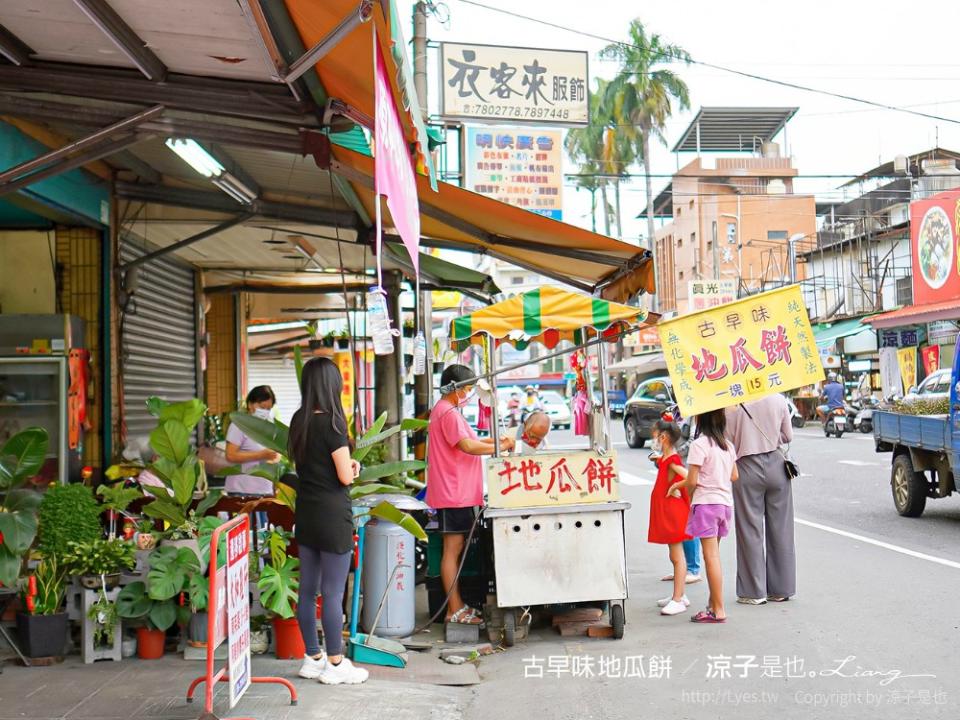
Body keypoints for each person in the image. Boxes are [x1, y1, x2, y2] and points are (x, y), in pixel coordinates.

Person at [289, 357, 367, 685]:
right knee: (333, 592)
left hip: (306, 513)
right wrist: (354, 468)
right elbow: (343, 476)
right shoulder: (334, 424)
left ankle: (313, 657)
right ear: (332, 386)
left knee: (308, 591)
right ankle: (335, 664)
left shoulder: (298, 421)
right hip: (333, 515)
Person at [427, 364, 515, 625]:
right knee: (452, 550)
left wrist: (500, 442)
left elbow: (471, 440)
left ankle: (458, 606)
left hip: (459, 492)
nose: (468, 394)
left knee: (456, 549)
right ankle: (454, 610)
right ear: (454, 388)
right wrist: (499, 445)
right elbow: (467, 446)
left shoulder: (449, 411)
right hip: (453, 493)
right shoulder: (447, 413)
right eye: (466, 389)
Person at [725, 393, 796, 605]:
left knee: (749, 529)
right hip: (777, 463)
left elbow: (727, 440)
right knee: (781, 528)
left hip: (746, 467)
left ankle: (753, 592)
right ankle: (781, 589)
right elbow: (788, 436)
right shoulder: (778, 398)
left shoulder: (731, 403)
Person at [669, 408, 738, 623]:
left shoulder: (700, 445)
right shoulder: (728, 446)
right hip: (724, 506)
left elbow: (692, 481)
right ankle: (712, 605)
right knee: (714, 557)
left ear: (700, 418)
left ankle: (718, 610)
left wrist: (683, 489)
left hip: (706, 505)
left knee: (711, 558)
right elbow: (734, 475)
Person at [647, 416, 692, 616]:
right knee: (674, 555)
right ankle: (679, 593)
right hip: (667, 511)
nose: (652, 440)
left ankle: (678, 598)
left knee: (676, 556)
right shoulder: (665, 458)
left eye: (654, 436)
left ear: (663, 437)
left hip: (674, 513)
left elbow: (691, 478)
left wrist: (675, 486)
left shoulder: (673, 460)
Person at [224, 386, 281, 496]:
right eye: (262, 407)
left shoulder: (271, 427)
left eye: (268, 408)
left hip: (265, 491)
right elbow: (230, 455)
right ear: (250, 404)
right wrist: (261, 455)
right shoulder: (239, 424)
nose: (265, 411)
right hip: (242, 491)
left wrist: (275, 456)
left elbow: (276, 454)